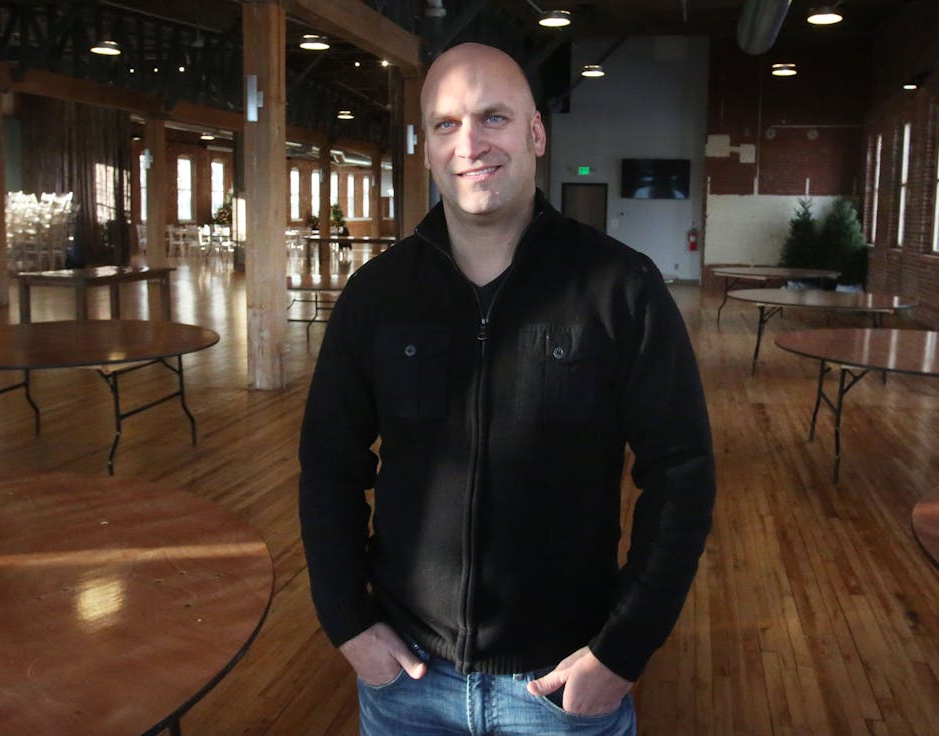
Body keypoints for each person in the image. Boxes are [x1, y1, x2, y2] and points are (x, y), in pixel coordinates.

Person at [299, 42, 715, 735]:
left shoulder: (619, 287)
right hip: (409, 683)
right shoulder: (377, 295)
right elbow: (329, 466)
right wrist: (347, 622)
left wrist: (622, 650)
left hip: (559, 686)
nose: (471, 143)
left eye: (494, 117)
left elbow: (683, 474)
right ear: (427, 145)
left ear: (536, 133)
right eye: (446, 124)